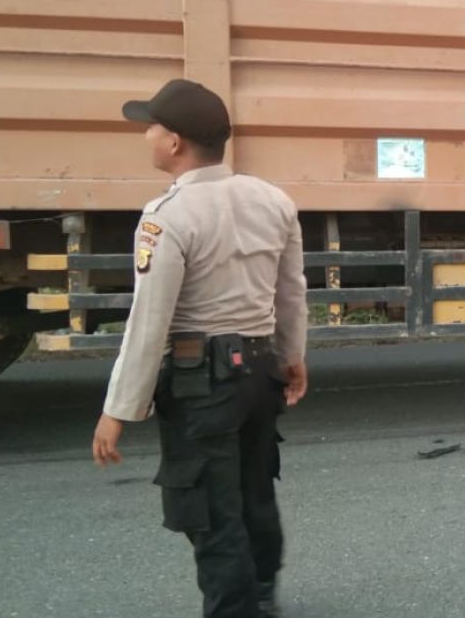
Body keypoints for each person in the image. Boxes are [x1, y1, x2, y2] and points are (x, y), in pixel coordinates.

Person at [91, 78, 308, 618]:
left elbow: (150, 321)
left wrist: (118, 409)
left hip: (202, 381)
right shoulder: (273, 200)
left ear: (174, 142)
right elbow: (291, 291)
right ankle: (261, 593)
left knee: (210, 509)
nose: (146, 134)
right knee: (254, 489)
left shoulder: (168, 215)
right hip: (260, 373)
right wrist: (293, 357)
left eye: (151, 126)